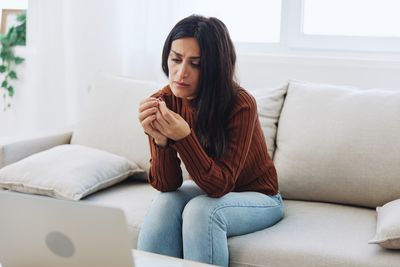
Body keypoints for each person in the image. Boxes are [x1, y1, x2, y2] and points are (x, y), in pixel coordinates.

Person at [137, 15, 284, 267]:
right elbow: (167, 185)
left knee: (202, 211)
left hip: (259, 196)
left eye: (195, 64)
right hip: (210, 190)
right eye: (176, 59)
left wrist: (183, 137)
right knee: (164, 202)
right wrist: (160, 141)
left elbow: (220, 185)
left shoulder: (240, 104)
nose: (181, 73)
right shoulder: (164, 101)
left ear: (215, 67)